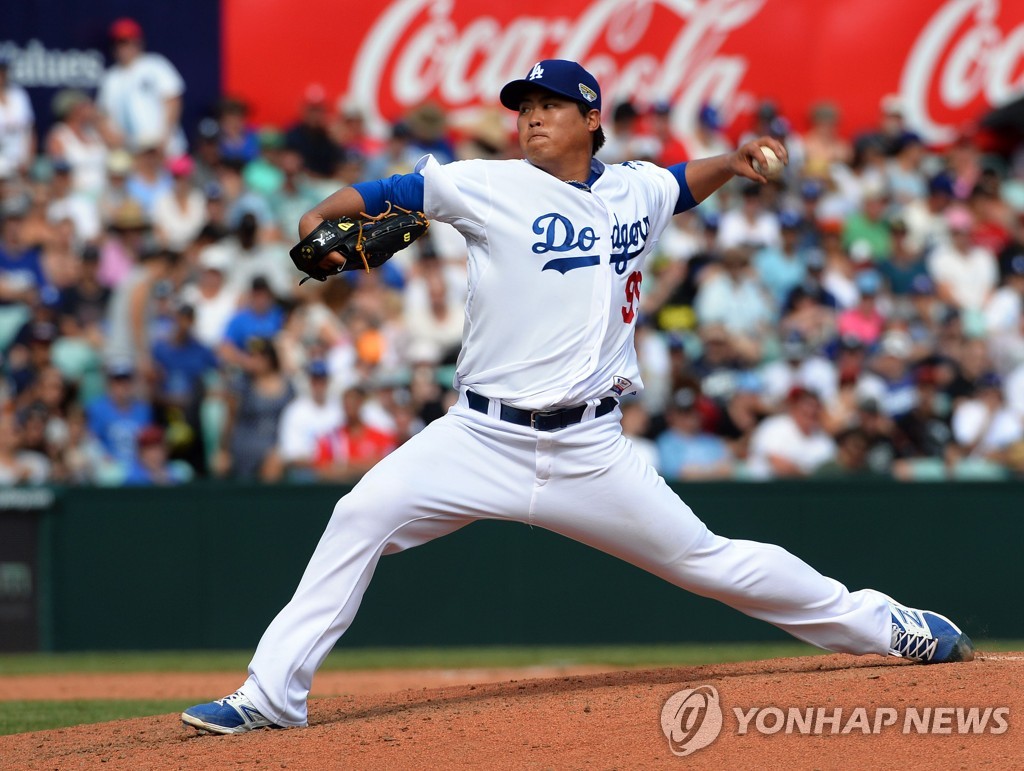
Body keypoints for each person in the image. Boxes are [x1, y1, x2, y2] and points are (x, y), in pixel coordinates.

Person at [182, 59, 974, 736]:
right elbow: (390, 188)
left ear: (591, 119)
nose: (531, 118)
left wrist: (732, 164)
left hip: (590, 449)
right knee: (359, 514)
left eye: (549, 106)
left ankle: (886, 624)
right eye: (524, 107)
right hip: (478, 436)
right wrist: (321, 214)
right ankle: (271, 695)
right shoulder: (484, 184)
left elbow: (677, 185)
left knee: (710, 562)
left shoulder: (635, 190)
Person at [96, 18, 187, 157]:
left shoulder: (155, 65)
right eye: (118, 43)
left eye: (127, 42)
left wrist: (165, 138)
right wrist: (114, 141)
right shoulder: (111, 78)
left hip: (165, 149)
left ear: (138, 42)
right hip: (131, 153)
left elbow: (173, 100)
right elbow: (103, 115)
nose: (123, 48)